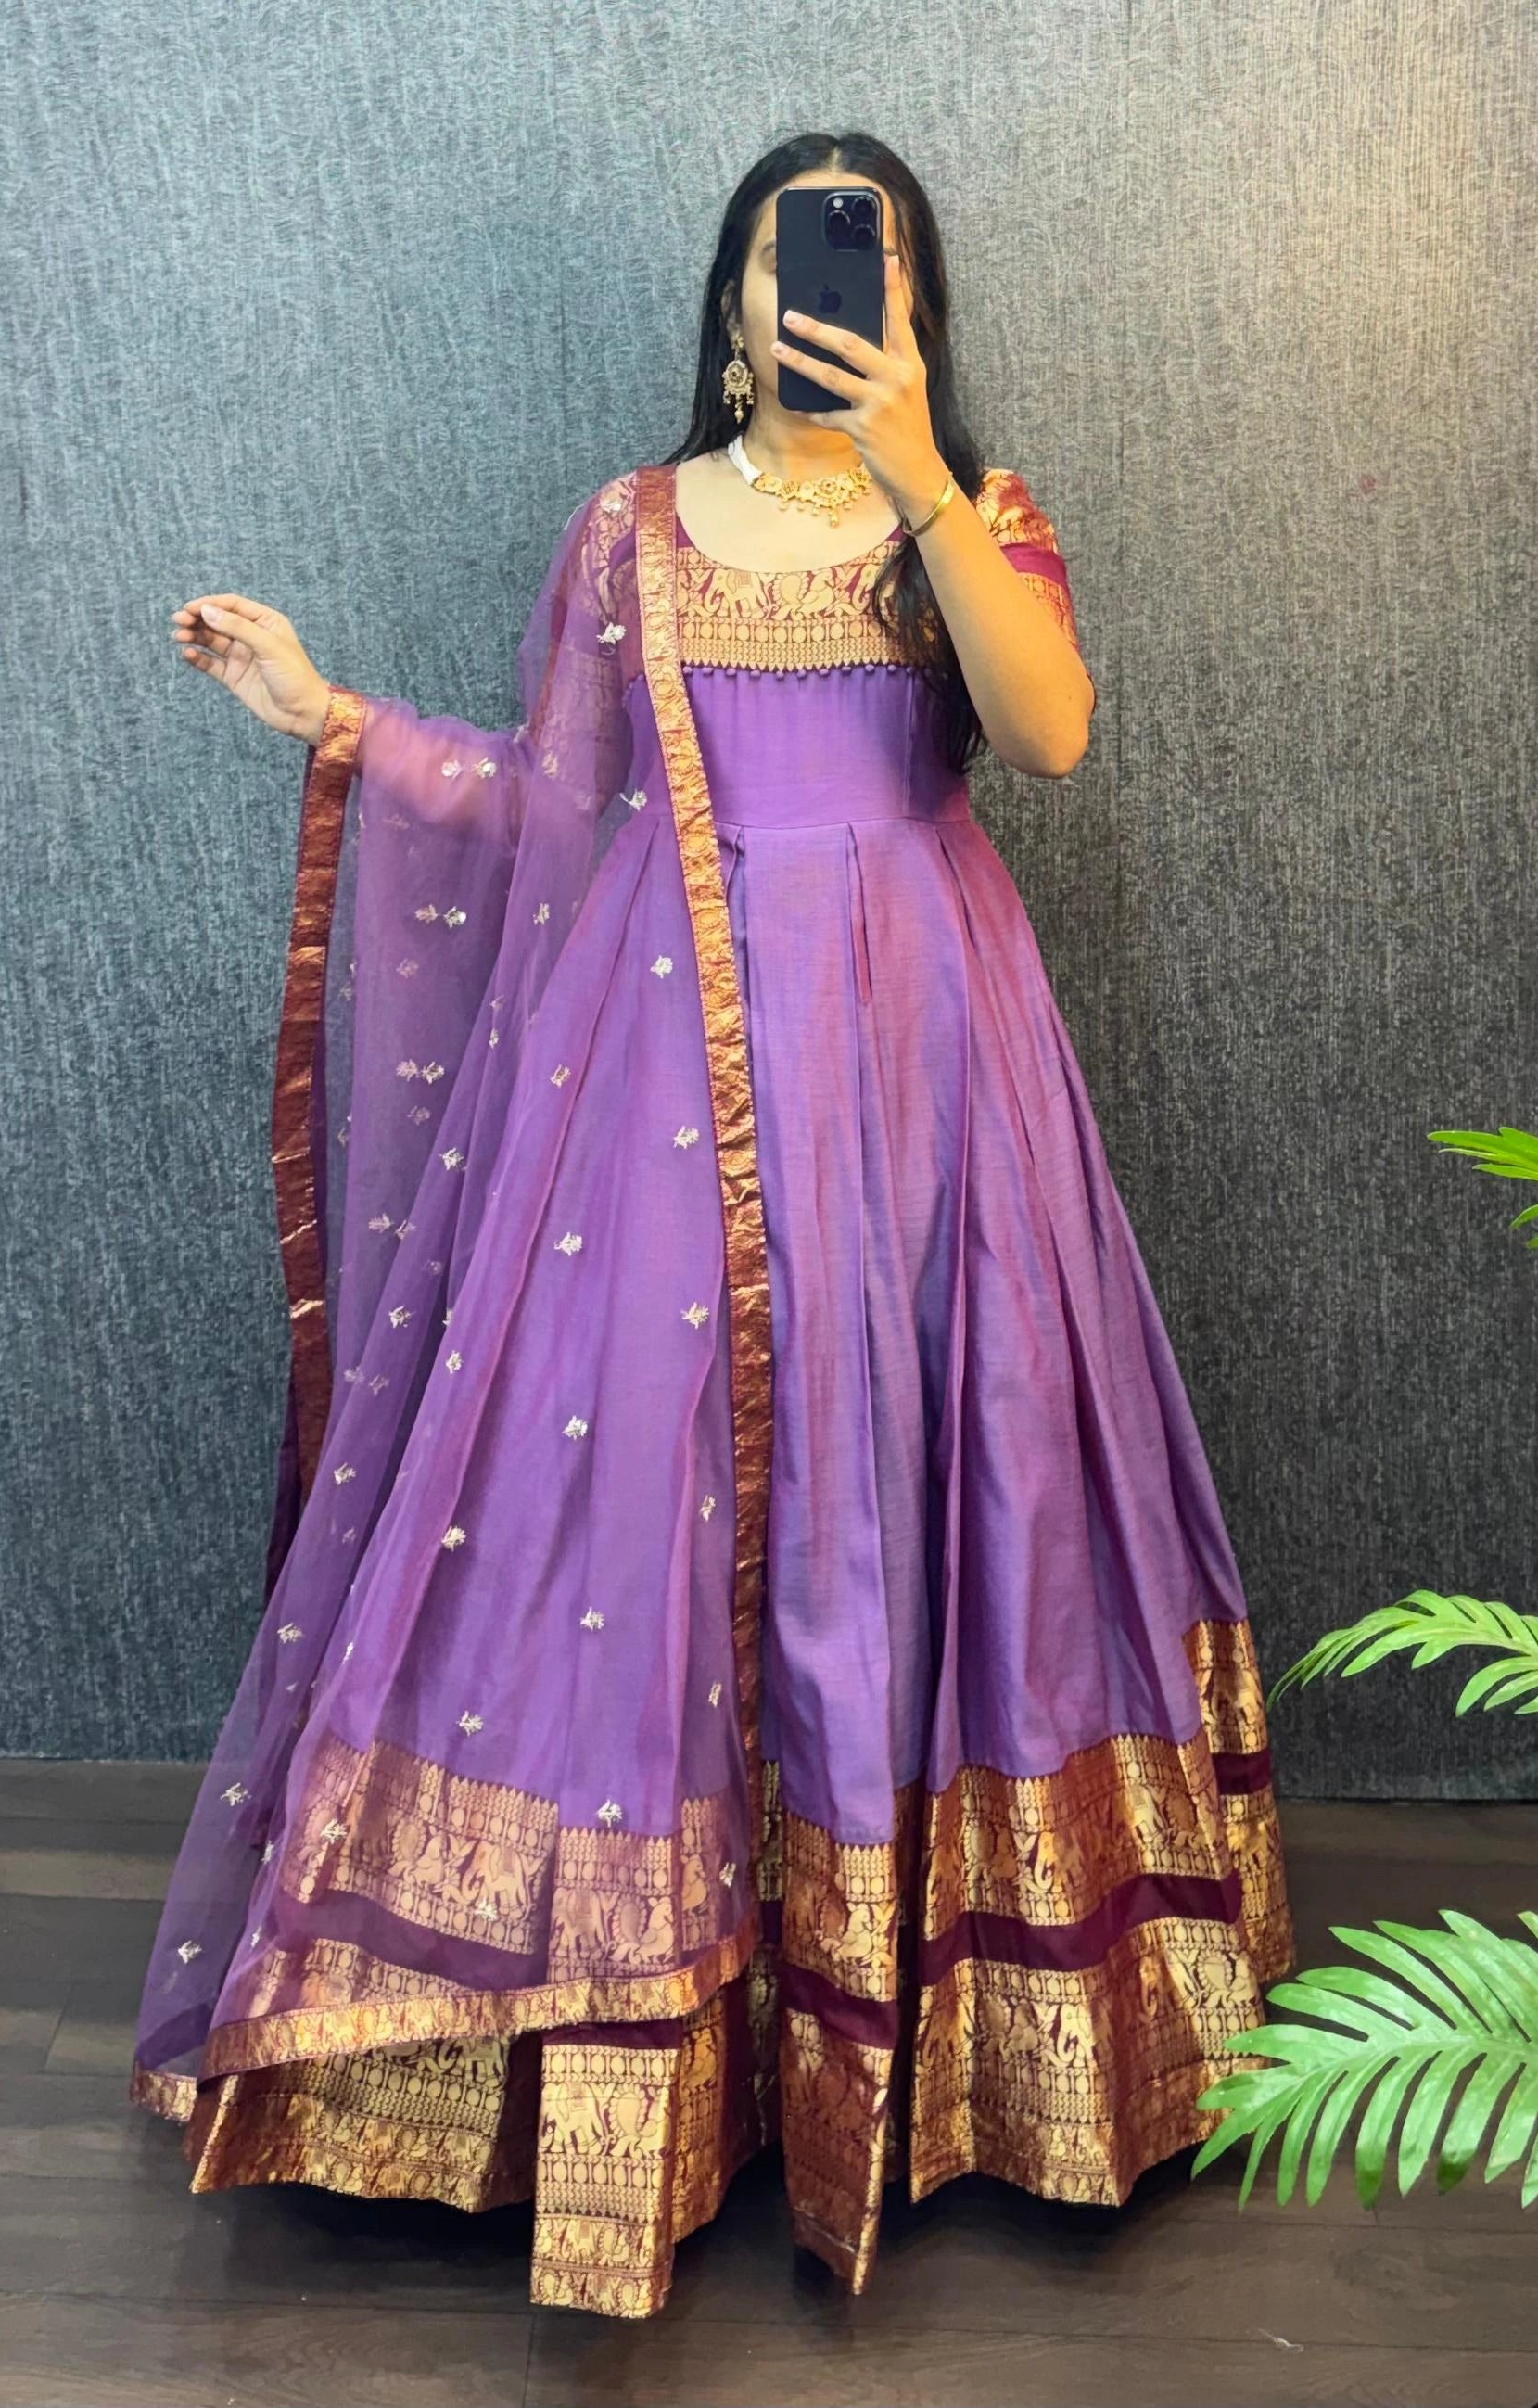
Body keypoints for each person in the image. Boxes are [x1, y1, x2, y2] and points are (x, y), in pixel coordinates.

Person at [132, 131, 1295, 2320]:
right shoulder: (630, 530)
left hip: (931, 1070)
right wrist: (334, 720)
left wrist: (921, 472)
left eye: (865, 258)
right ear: (733, 298)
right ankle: (629, 2056)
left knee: (927, 1488)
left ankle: (938, 2044)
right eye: (786, 253)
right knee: (623, 1523)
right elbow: (559, 808)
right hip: (659, 1079)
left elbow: (1045, 736)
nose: (820, 287)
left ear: (910, 300)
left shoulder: (972, 514)